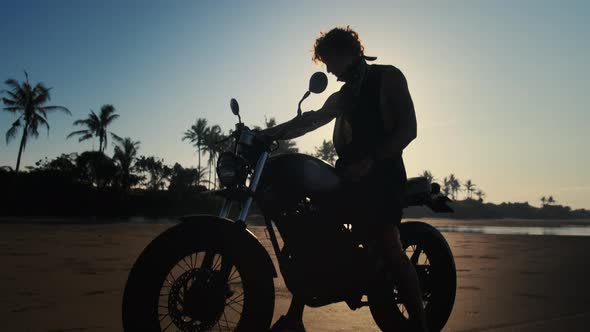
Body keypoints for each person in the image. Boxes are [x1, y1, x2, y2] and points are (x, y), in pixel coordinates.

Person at [263, 26, 427, 332]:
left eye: (329, 61)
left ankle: (420, 324)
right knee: (312, 233)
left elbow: (409, 129)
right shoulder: (344, 95)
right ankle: (296, 317)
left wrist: (372, 160)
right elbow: (310, 120)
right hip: (349, 176)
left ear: (345, 52)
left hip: (384, 175)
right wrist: (265, 135)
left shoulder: (388, 77)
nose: (329, 70)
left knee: (389, 242)